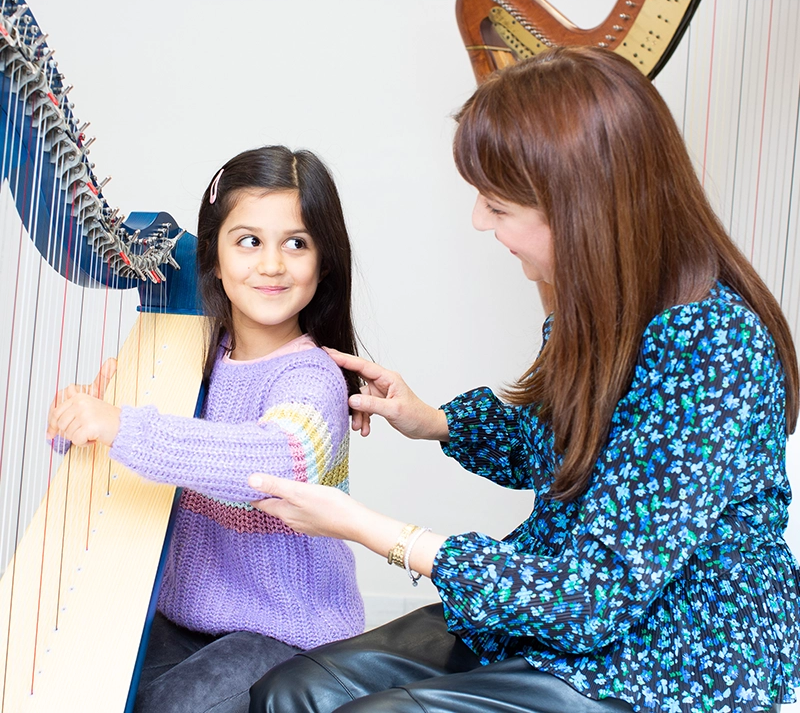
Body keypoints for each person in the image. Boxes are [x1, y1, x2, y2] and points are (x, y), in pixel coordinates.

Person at [246, 47, 800, 713]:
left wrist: (372, 530)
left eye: (498, 206)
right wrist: (435, 421)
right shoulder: (597, 302)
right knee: (290, 690)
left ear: (581, 208)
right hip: (563, 606)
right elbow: (565, 455)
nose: (480, 221)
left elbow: (593, 598)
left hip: (673, 652)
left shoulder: (714, 348)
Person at [46, 145, 364, 713]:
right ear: (214, 258)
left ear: (323, 261)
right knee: (81, 687)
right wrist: (81, 423)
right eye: (249, 241)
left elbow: (279, 462)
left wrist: (123, 426)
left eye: (297, 243)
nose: (272, 264)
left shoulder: (313, 376)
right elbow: (135, 454)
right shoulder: (182, 359)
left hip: (286, 629)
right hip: (185, 614)